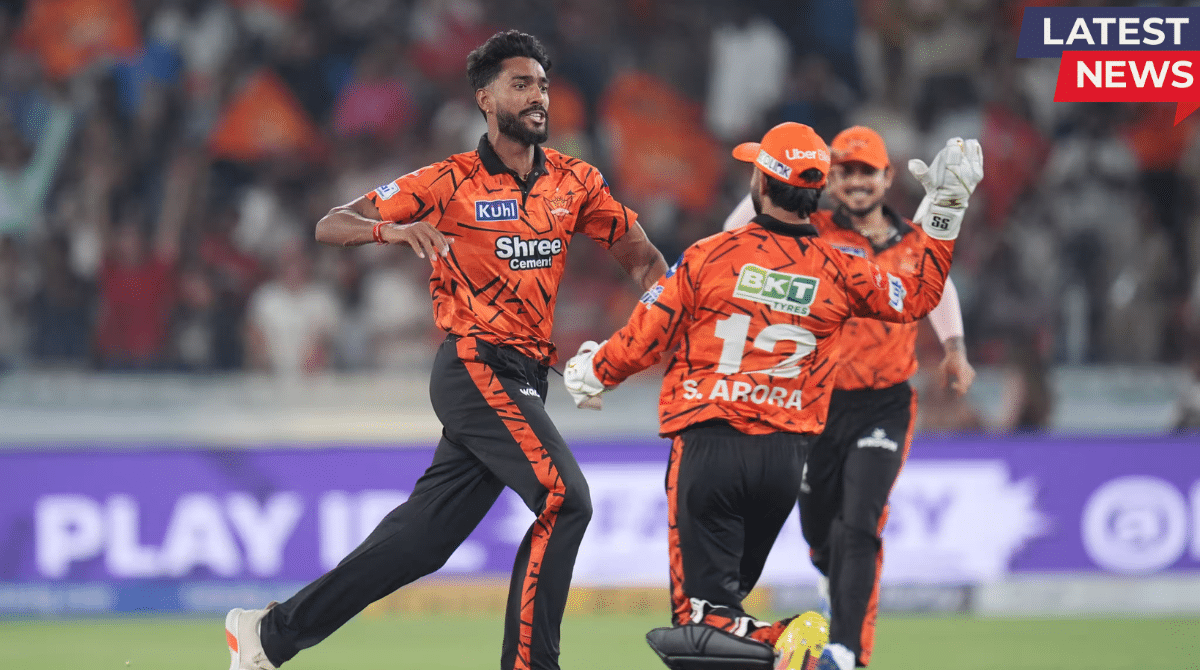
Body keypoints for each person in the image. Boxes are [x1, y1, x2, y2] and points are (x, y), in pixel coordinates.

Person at [223, 30, 668, 670]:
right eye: (521, 84)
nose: (538, 96)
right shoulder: (447, 181)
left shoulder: (576, 182)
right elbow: (330, 223)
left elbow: (645, 260)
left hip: (524, 379)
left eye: (542, 84)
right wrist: (393, 229)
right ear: (485, 99)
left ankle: (269, 637)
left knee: (422, 543)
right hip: (475, 367)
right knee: (565, 497)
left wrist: (638, 338)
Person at [563, 122, 982, 670]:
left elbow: (647, 334)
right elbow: (920, 294)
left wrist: (592, 372)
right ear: (819, 192)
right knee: (721, 622)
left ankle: (801, 653)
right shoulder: (843, 267)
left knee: (700, 626)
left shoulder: (710, 256)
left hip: (711, 447)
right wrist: (947, 207)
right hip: (784, 461)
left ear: (761, 185)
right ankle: (789, 647)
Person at [723, 126, 978, 670]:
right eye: (845, 171)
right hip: (815, 401)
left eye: (868, 171)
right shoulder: (807, 228)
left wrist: (954, 347)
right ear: (828, 178)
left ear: (888, 177)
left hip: (885, 401)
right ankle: (829, 579)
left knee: (859, 522)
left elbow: (939, 284)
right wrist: (776, 177)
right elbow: (734, 231)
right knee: (820, 532)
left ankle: (848, 652)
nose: (858, 182)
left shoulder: (913, 241)